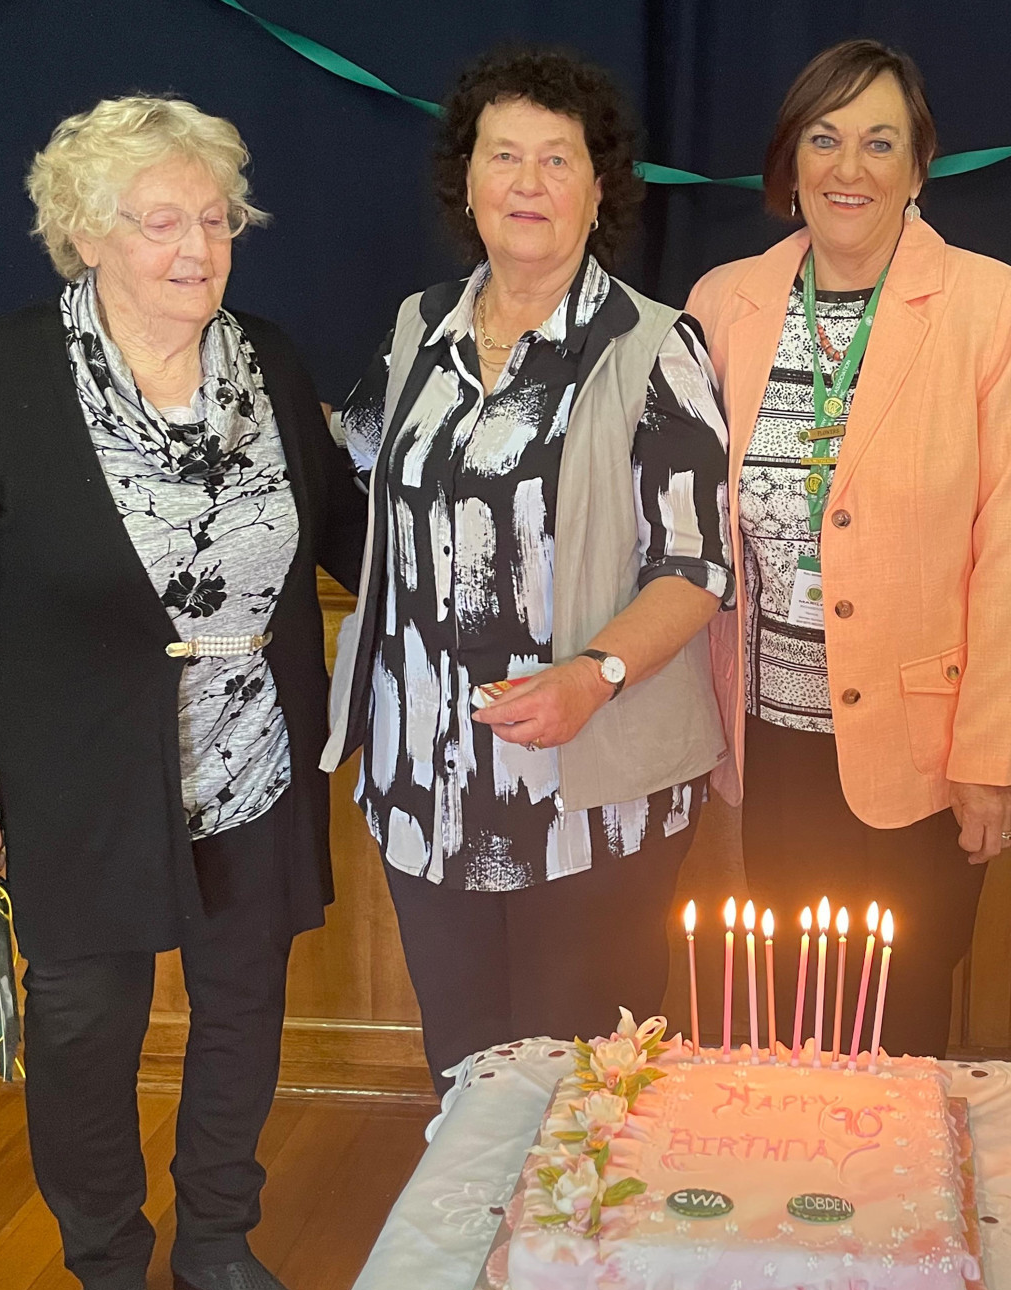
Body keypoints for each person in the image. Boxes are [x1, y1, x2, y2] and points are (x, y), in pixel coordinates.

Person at [0, 96, 366, 1290]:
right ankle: (108, 1270)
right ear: (86, 235)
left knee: (239, 1014)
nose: (196, 248)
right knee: (82, 1033)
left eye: (215, 221)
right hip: (76, 784)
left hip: (252, 761)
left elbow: (346, 534)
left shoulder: (268, 361)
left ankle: (216, 1237)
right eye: (162, 222)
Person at [324, 48, 732, 1091]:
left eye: (557, 159)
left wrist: (591, 674)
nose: (527, 182)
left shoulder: (653, 347)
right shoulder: (417, 330)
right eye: (503, 155)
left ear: (601, 189)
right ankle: (480, 1257)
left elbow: (695, 567)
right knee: (465, 1070)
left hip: (592, 793)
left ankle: (577, 1260)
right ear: (466, 180)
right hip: (425, 782)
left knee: (585, 1083)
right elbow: (349, 489)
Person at [687, 39, 1011, 1063]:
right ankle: (809, 1215)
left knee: (898, 1029)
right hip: (771, 736)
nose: (849, 169)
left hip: (925, 750)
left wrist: (987, 756)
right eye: (824, 139)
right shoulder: (724, 303)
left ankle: (897, 1226)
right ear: (789, 163)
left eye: (878, 142)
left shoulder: (984, 302)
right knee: (795, 1015)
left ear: (917, 167)